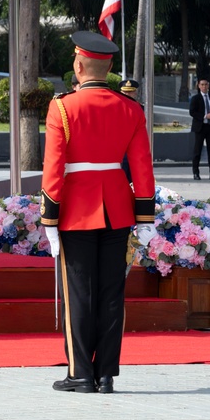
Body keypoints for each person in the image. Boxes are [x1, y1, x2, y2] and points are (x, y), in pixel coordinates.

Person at [40, 31, 156, 394]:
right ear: (107, 69)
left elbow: (53, 167)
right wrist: (145, 217)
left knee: (79, 293)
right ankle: (105, 373)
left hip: (76, 211)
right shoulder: (131, 108)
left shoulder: (62, 107)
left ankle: (80, 373)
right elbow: (142, 167)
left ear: (78, 65)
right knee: (111, 293)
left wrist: (49, 218)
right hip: (118, 211)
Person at [189, 77, 210, 180]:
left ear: (208, 86)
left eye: (206, 84)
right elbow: (192, 112)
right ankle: (196, 173)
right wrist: (205, 116)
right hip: (200, 128)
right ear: (199, 86)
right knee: (197, 151)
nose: (204, 86)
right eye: (202, 85)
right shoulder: (195, 98)